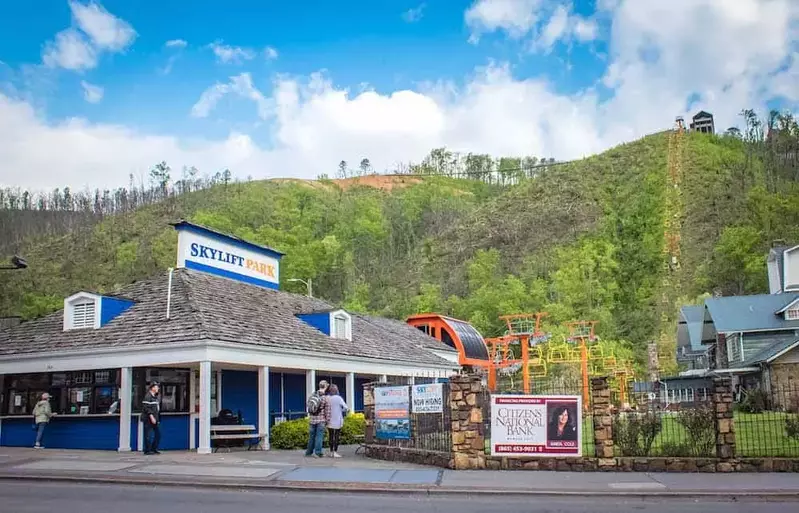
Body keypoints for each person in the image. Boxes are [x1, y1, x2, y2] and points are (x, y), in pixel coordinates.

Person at [305, 380, 329, 458]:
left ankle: (308, 452)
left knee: (311, 436)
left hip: (312, 419)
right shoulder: (324, 397)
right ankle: (318, 452)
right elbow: (327, 411)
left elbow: (309, 406)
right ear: (325, 386)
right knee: (319, 436)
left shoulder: (313, 395)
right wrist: (327, 420)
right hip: (321, 420)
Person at [325, 384, 349, 458]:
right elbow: (346, 408)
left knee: (331, 436)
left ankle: (331, 451)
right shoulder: (338, 398)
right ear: (336, 390)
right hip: (338, 420)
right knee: (336, 436)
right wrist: (341, 410)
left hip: (329, 420)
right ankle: (335, 452)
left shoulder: (327, 398)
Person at [141, 382, 161, 455]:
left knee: (158, 434)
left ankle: (153, 448)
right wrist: (151, 417)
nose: (158, 388)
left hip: (155, 418)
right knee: (148, 435)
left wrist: (157, 419)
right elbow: (146, 408)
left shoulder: (155, 397)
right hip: (148, 419)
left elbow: (156, 409)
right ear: (152, 388)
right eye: (156, 387)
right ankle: (147, 450)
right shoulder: (148, 396)